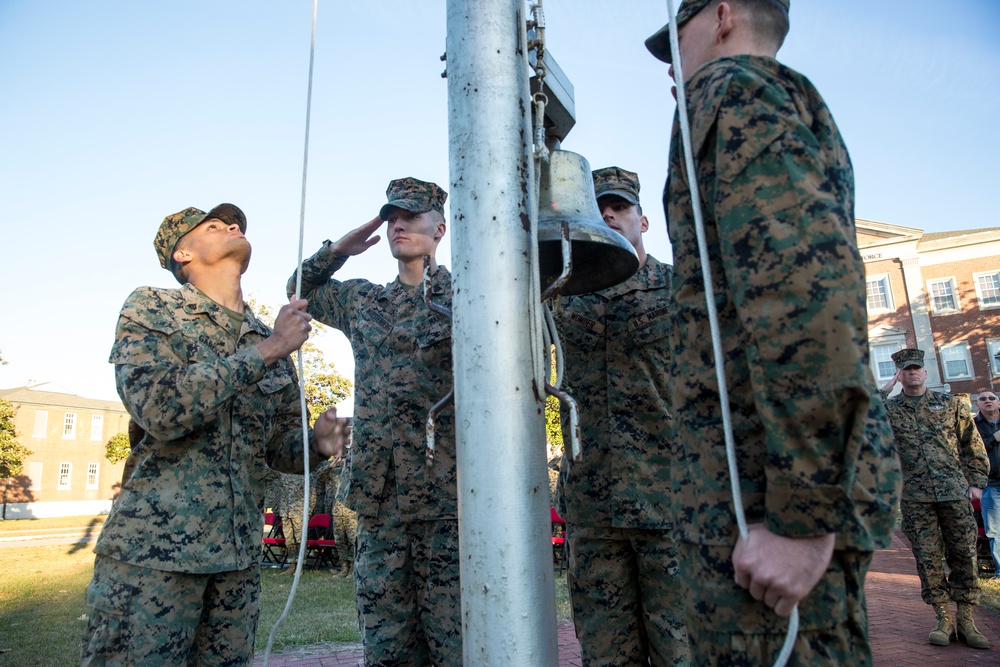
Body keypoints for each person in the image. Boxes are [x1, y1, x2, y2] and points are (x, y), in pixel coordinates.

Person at [645, 1, 901, 664]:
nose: (669, 63)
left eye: (675, 36)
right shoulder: (764, 99)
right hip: (753, 501)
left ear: (723, 14)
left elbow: (804, 302)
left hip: (764, 513)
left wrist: (802, 520)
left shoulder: (733, 93)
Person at [82, 203, 348, 666]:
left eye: (236, 224)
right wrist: (267, 352)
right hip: (153, 557)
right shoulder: (153, 307)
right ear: (182, 252)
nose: (232, 226)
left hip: (238, 565)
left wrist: (318, 444)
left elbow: (281, 449)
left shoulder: (270, 335)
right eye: (214, 225)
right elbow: (159, 409)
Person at [287, 177, 460, 665]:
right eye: (391, 218)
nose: (398, 225)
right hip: (378, 502)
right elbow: (300, 289)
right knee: (386, 647)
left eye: (410, 216)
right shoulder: (365, 301)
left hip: (446, 499)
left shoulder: (468, 295)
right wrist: (338, 250)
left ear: (440, 228)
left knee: (455, 645)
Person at [552, 167, 688, 665]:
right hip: (592, 507)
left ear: (643, 221)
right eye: (596, 207)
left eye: (619, 206)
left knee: (681, 651)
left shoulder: (679, 290)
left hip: (668, 503)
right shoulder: (560, 298)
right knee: (606, 655)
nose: (607, 214)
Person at [881, 349, 990, 649]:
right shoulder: (890, 409)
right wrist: (883, 391)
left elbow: (972, 445)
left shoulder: (951, 404)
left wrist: (977, 483)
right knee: (928, 560)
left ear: (926, 372)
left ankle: (967, 620)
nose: (913, 373)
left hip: (954, 493)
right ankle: (943, 619)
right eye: (906, 370)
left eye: (917, 368)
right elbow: (864, 421)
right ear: (899, 375)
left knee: (964, 556)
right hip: (916, 498)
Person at [974, 389, 1000, 580]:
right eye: (983, 399)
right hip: (990, 483)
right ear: (978, 405)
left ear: (998, 402)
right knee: (995, 530)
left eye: (992, 398)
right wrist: (994, 439)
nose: (988, 401)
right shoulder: (973, 425)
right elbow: (972, 450)